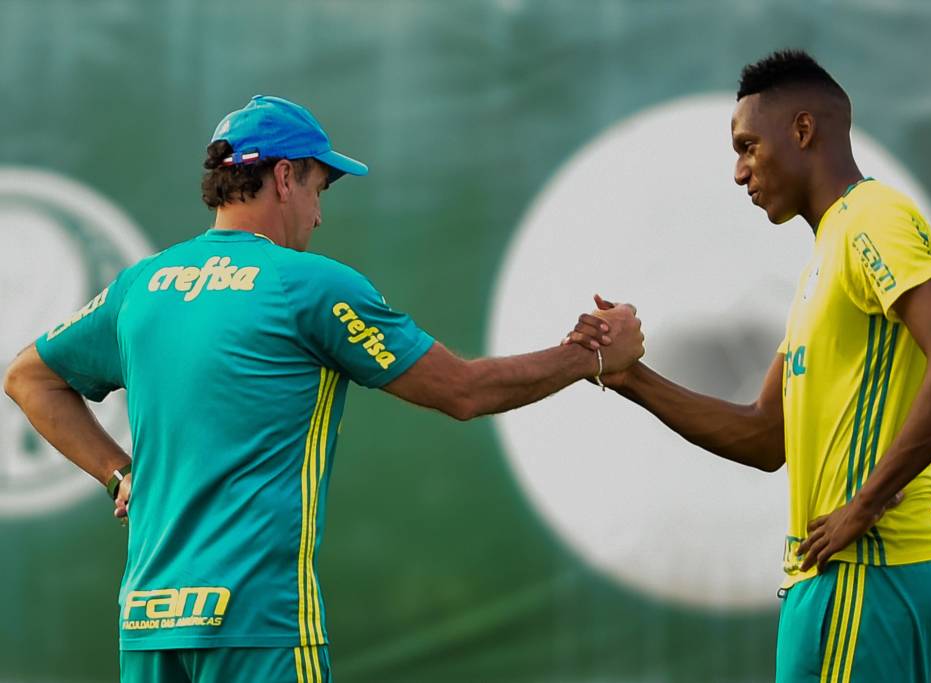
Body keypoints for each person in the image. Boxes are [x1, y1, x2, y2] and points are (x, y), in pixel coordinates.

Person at [2, 95, 644, 683]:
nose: (319, 212)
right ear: (284, 177)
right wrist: (587, 355)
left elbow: (27, 375)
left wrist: (119, 476)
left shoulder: (141, 285)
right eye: (319, 185)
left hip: (147, 623)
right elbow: (462, 392)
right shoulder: (305, 282)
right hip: (260, 622)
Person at [568, 50, 931, 682]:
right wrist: (630, 377)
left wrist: (865, 504)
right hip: (845, 571)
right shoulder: (825, 257)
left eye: (747, 147)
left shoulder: (870, 219)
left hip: (867, 566)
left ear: (802, 131)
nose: (740, 172)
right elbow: (767, 435)